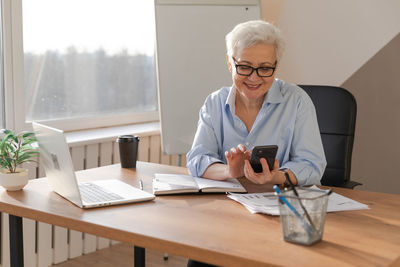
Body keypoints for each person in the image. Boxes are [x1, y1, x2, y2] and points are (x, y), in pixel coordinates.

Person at [185, 20, 326, 267]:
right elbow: (197, 158)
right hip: (226, 217)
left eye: (264, 68)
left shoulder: (297, 101)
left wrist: (275, 177)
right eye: (245, 67)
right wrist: (230, 171)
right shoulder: (214, 103)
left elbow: (312, 165)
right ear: (230, 62)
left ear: (276, 66)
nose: (254, 78)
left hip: (283, 217)